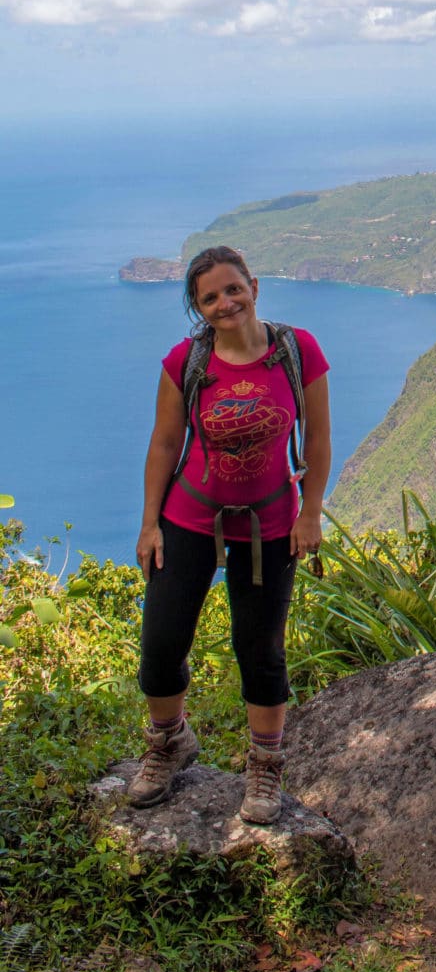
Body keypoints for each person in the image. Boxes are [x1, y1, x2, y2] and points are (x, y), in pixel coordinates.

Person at [129, 245, 331, 822]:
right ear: (198, 307)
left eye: (232, 289)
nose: (225, 303)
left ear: (255, 287)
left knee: (260, 649)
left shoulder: (297, 351)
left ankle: (265, 767)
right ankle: (169, 741)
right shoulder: (186, 363)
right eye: (210, 297)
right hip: (188, 516)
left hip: (271, 523)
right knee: (162, 644)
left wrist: (309, 511)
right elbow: (165, 445)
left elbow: (317, 438)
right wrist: (149, 524)